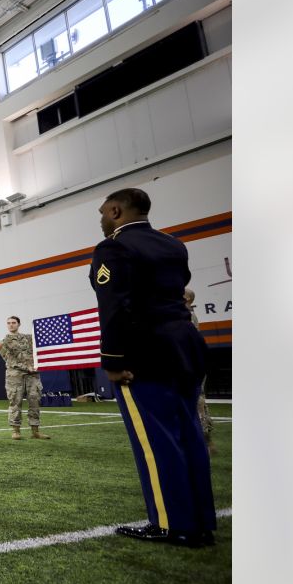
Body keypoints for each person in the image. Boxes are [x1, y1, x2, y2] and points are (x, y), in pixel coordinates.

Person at [89, 188, 215, 548]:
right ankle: (201, 519)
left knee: (157, 441)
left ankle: (171, 523)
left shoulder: (113, 248)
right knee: (189, 433)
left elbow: (114, 306)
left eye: (102, 213)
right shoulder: (173, 244)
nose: (101, 219)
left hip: (145, 352)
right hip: (185, 346)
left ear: (116, 210)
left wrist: (112, 361)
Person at [0, 316, 50, 440]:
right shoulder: (4, 342)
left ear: (19, 324)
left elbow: (38, 351)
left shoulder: (29, 338)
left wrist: (35, 366)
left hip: (32, 375)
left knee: (35, 401)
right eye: (9, 323)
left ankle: (35, 431)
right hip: (15, 375)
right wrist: (27, 367)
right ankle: (16, 431)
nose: (11, 325)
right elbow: (9, 360)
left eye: (13, 323)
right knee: (15, 402)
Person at [184, 289, 216, 453]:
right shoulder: (187, 315)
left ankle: (205, 441)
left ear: (187, 298)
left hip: (190, 363)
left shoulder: (187, 316)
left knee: (197, 402)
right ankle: (206, 441)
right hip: (192, 362)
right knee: (198, 401)